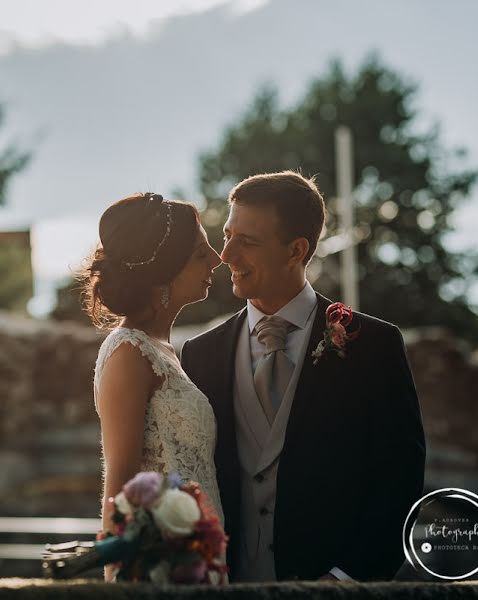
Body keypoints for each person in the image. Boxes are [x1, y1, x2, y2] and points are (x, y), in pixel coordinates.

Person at [180, 171, 426, 582]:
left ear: (296, 250)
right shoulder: (202, 353)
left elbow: (399, 477)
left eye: (247, 241)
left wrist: (347, 578)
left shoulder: (374, 345)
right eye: (227, 234)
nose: (226, 254)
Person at [82, 192, 224, 580]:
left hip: (198, 562)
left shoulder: (166, 351)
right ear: (164, 271)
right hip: (159, 570)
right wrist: (120, 582)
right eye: (200, 253)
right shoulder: (129, 352)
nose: (218, 258)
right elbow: (120, 480)